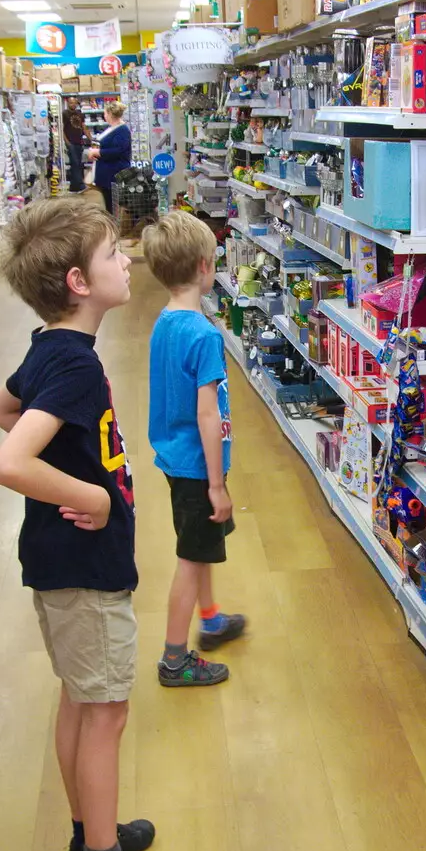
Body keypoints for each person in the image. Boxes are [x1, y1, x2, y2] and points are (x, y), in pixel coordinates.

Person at [0, 197, 189, 851]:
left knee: (80, 698)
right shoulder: (72, 363)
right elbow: (8, 460)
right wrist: (91, 497)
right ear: (77, 282)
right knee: (105, 712)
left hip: (57, 560)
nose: (127, 259)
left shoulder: (51, 350)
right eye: (112, 255)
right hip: (84, 562)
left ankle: (86, 837)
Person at [144, 212, 246, 686]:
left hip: (173, 457)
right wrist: (217, 484)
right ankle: (173, 658)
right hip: (197, 467)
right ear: (206, 267)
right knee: (190, 558)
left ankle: (211, 619)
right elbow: (208, 414)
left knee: (201, 546)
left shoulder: (165, 323)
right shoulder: (204, 335)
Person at [88, 100, 131, 217]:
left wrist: (98, 152)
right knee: (109, 202)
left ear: (110, 114)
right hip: (108, 174)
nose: (104, 116)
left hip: (113, 174)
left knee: (112, 204)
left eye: (105, 113)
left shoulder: (122, 130)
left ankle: (113, 226)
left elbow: (118, 151)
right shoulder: (113, 128)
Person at [62, 101, 88, 193]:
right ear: (68, 103)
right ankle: (80, 185)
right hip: (71, 142)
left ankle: (73, 187)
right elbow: (62, 128)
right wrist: (67, 142)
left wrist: (91, 138)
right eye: (71, 103)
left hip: (79, 142)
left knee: (78, 164)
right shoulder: (64, 114)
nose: (72, 104)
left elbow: (84, 127)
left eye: (74, 103)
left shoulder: (80, 114)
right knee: (75, 163)